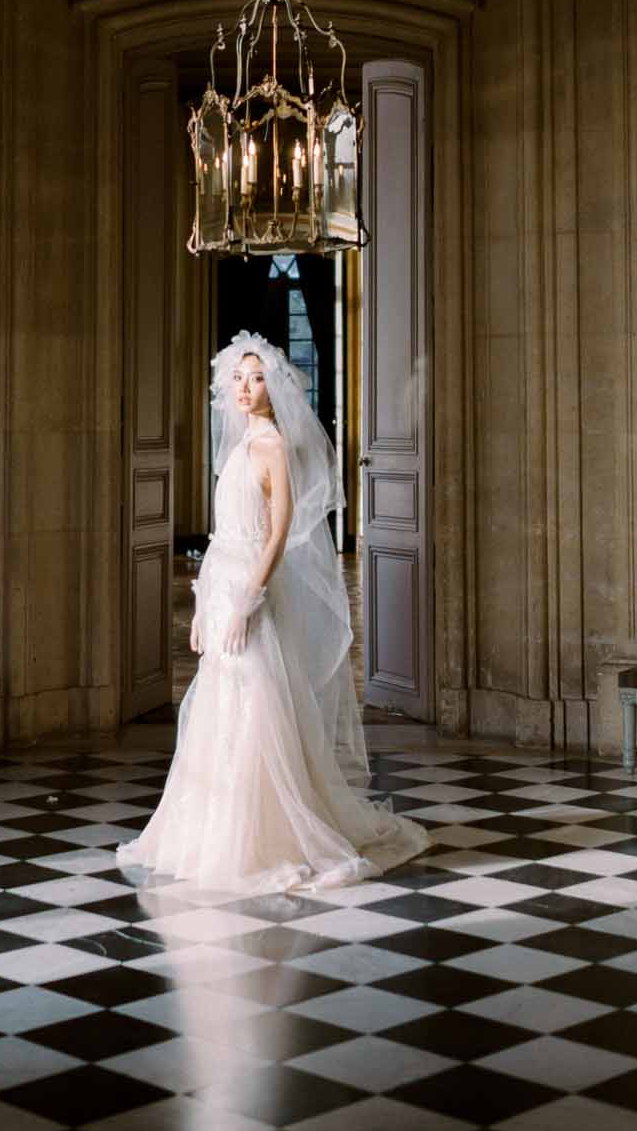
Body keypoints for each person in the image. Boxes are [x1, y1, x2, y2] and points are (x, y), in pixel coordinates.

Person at [118, 330, 430, 894]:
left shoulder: (273, 448)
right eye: (236, 378)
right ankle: (213, 835)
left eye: (256, 378)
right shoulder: (236, 447)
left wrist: (245, 602)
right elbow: (222, 537)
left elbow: (279, 532)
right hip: (223, 592)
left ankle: (266, 837)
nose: (244, 388)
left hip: (253, 597)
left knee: (257, 705)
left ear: (274, 388)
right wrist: (204, 606)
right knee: (219, 710)